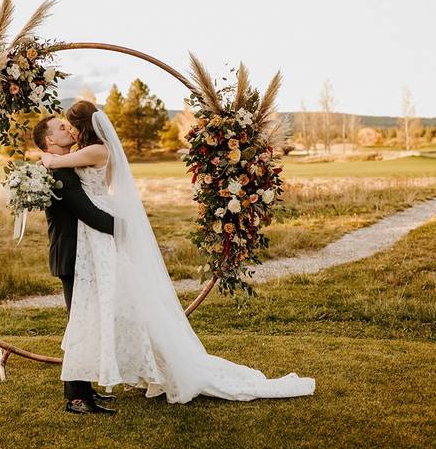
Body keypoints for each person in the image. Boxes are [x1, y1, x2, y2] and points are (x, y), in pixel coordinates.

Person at [39, 100, 316, 404]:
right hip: (94, 233)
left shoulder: (96, 151)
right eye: (63, 127)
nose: (69, 130)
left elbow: (54, 164)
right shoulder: (93, 151)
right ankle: (89, 381)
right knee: (102, 308)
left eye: (70, 125)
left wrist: (45, 157)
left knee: (104, 307)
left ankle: (92, 382)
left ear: (83, 127)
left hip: (100, 228)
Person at [32, 114, 119, 415]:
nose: (67, 128)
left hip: (80, 253)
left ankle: (84, 389)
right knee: (79, 324)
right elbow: (89, 213)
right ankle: (76, 398)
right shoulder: (61, 174)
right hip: (71, 254)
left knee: (84, 320)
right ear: (49, 141)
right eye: (59, 128)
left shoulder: (64, 166)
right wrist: (127, 230)